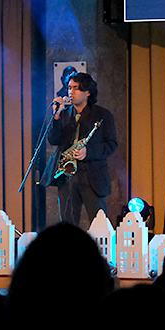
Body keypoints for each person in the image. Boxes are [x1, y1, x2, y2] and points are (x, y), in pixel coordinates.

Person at [48, 72, 117, 228]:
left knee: (99, 226)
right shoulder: (64, 115)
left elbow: (111, 145)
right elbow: (53, 140)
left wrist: (88, 152)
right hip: (67, 178)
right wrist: (56, 116)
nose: (70, 92)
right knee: (68, 225)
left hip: (93, 178)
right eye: (69, 88)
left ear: (88, 92)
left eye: (76, 88)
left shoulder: (103, 115)